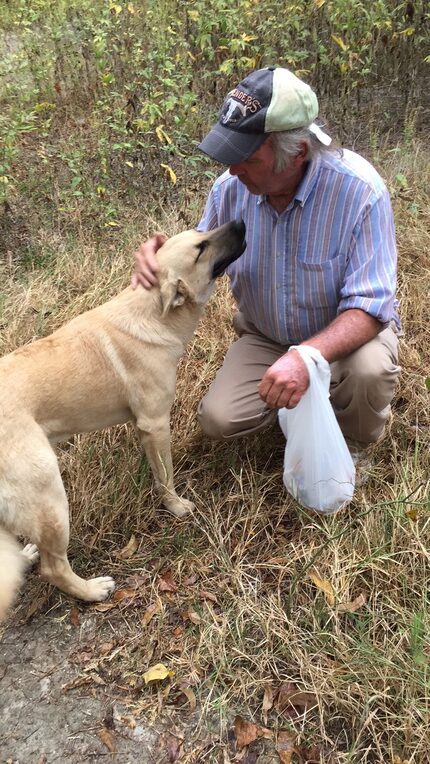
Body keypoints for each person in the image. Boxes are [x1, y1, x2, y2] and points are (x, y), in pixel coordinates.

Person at [132, 66, 401, 470]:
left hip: (347, 342)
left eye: (247, 157)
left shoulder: (360, 193)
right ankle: (300, 400)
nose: (233, 168)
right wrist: (160, 253)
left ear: (297, 152)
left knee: (369, 371)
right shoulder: (230, 187)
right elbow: (202, 255)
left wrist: (307, 358)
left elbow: (370, 307)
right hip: (267, 337)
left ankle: (352, 439)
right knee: (218, 419)